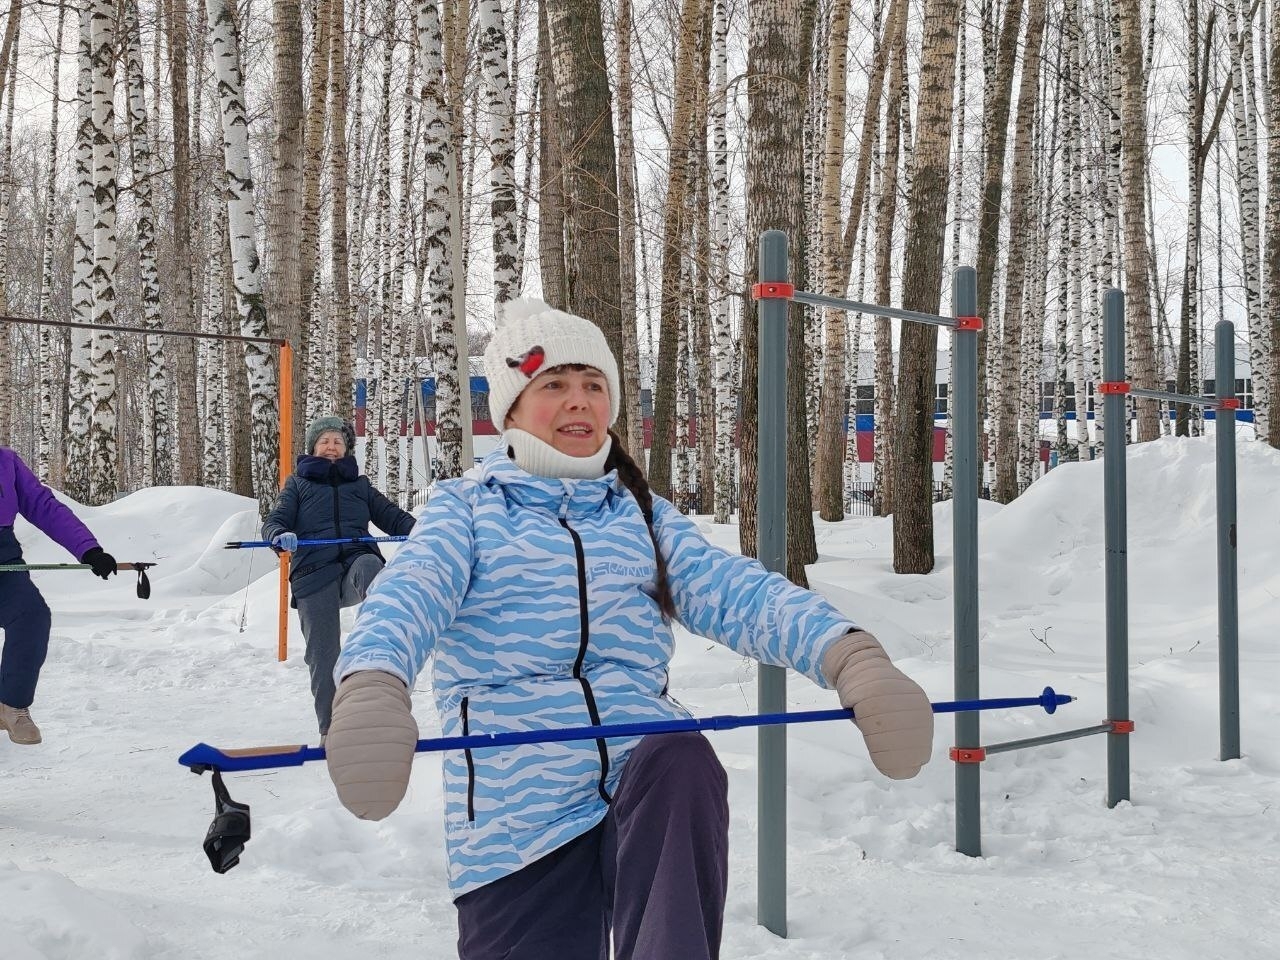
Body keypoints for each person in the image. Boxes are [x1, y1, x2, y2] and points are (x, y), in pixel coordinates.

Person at [322, 300, 935, 960]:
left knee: (680, 754)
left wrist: (849, 655)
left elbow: (736, 592)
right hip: (515, 817)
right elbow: (408, 597)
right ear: (511, 408)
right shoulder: (466, 510)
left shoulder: (642, 515)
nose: (577, 400)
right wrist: (372, 687)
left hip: (640, 787)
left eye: (593, 385)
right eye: (553, 384)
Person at [261, 415, 417, 738]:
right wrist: (279, 535)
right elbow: (275, 520)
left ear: (346, 449)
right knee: (323, 653)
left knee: (372, 568)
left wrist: (427, 529)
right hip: (313, 574)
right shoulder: (298, 485)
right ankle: (332, 730)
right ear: (313, 447)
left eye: (338, 441)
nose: (332, 447)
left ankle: (376, 643)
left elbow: (393, 517)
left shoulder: (359, 486)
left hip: (355, 565)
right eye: (325, 441)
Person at [1, 446, 117, 745]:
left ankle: (12, 706)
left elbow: (44, 506)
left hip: (4, 557)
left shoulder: (6, 461)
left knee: (32, 615)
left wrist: (88, 549)